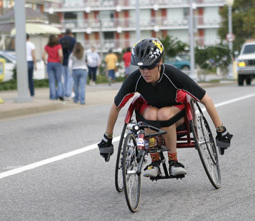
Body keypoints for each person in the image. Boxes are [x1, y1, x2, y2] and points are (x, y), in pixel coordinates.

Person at [97, 38, 232, 177]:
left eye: (149, 66)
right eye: (141, 67)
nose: (145, 72)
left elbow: (206, 99)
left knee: (163, 114)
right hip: (151, 113)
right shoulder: (136, 78)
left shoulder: (173, 74)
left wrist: (221, 130)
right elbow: (116, 106)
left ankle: (173, 161)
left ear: (160, 62)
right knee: (151, 115)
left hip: (177, 111)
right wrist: (107, 137)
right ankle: (155, 161)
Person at [42, 34, 64, 101]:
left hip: (50, 63)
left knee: (52, 82)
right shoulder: (58, 46)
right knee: (59, 80)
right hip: (57, 63)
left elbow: (43, 56)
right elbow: (61, 55)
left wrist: (44, 62)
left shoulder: (47, 46)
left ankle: (53, 96)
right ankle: (60, 94)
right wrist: (61, 61)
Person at [59, 29, 76, 99]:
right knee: (70, 77)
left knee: (64, 78)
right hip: (70, 61)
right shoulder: (73, 40)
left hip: (62, 61)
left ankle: (64, 92)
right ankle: (69, 93)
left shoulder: (60, 40)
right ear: (70, 33)